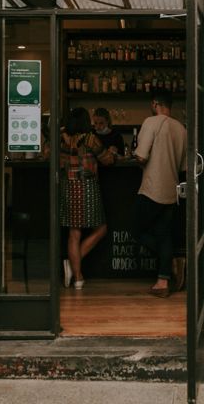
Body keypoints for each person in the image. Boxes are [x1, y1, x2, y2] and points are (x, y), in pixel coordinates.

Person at [133, 89, 187, 298]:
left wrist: (136, 158)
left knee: (136, 230)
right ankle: (162, 282)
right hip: (171, 192)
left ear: (155, 103)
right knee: (164, 234)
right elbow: (183, 167)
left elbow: (142, 156)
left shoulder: (151, 122)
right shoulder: (181, 129)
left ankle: (170, 260)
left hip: (151, 190)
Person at [60, 107, 116, 289]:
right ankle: (72, 264)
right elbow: (107, 159)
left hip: (68, 187)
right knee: (101, 229)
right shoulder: (90, 138)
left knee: (74, 234)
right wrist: (113, 153)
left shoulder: (62, 141)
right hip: (88, 187)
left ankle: (77, 277)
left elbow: (50, 156)